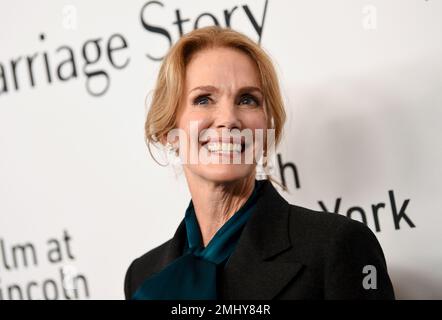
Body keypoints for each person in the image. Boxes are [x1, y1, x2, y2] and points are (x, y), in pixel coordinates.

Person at [124, 26, 395, 300]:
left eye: (247, 100)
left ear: (266, 128)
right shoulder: (142, 275)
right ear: (169, 132)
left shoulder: (337, 245)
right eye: (203, 99)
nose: (228, 119)